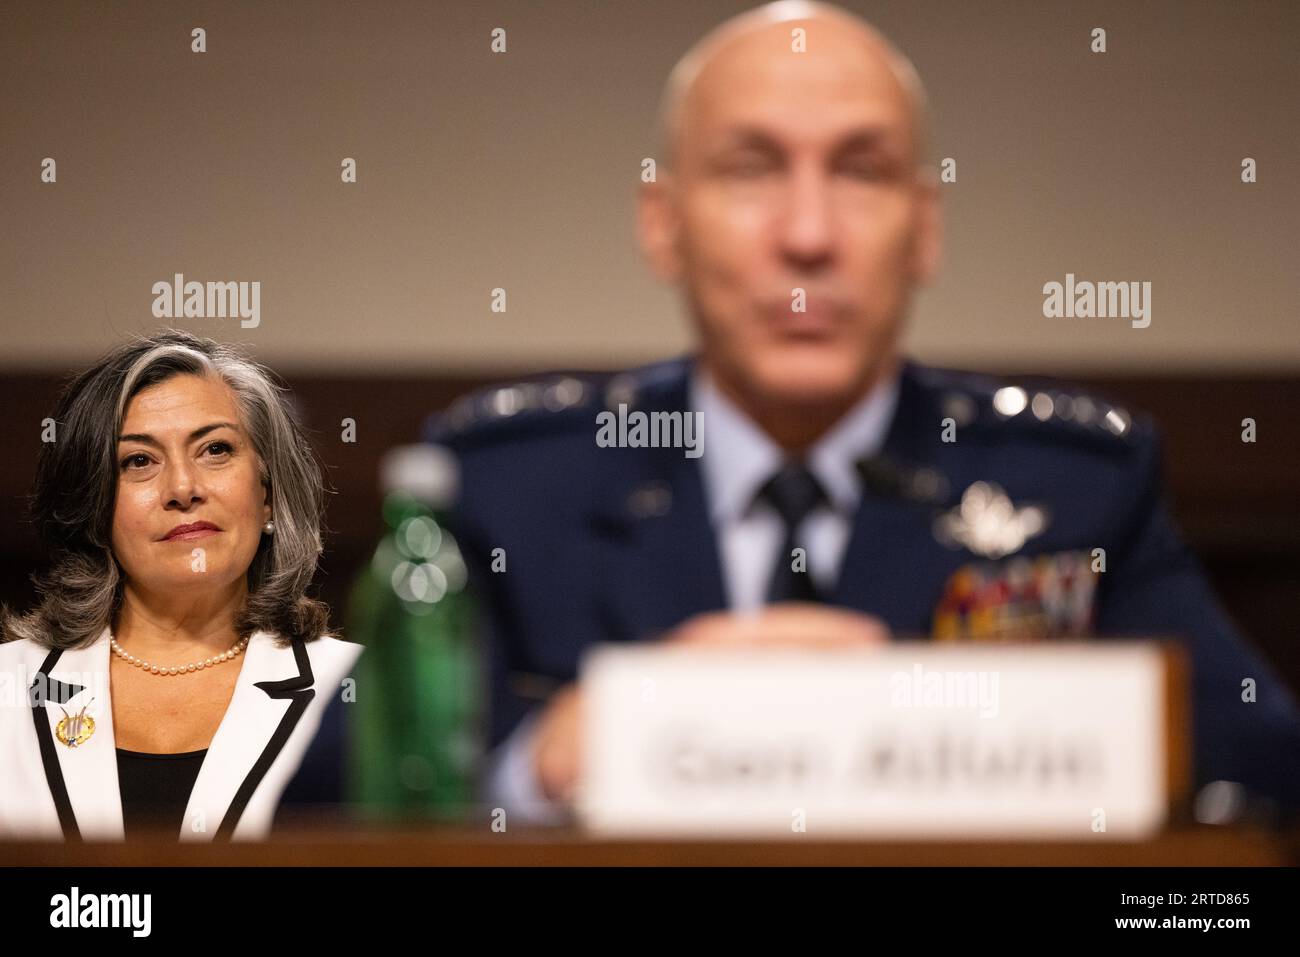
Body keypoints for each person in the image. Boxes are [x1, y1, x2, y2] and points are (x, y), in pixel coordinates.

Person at [426, 1, 1300, 822]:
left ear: (924, 228)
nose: (809, 235)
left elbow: (1263, 767)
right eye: (751, 169)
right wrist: (543, 762)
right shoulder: (511, 486)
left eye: (861, 171)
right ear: (663, 224)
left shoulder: (1078, 486)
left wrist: (942, 730)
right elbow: (335, 781)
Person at [0, 330, 362, 841]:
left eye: (215, 449)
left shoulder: (356, 690)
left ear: (267, 494)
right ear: (95, 508)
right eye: (139, 461)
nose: (183, 489)